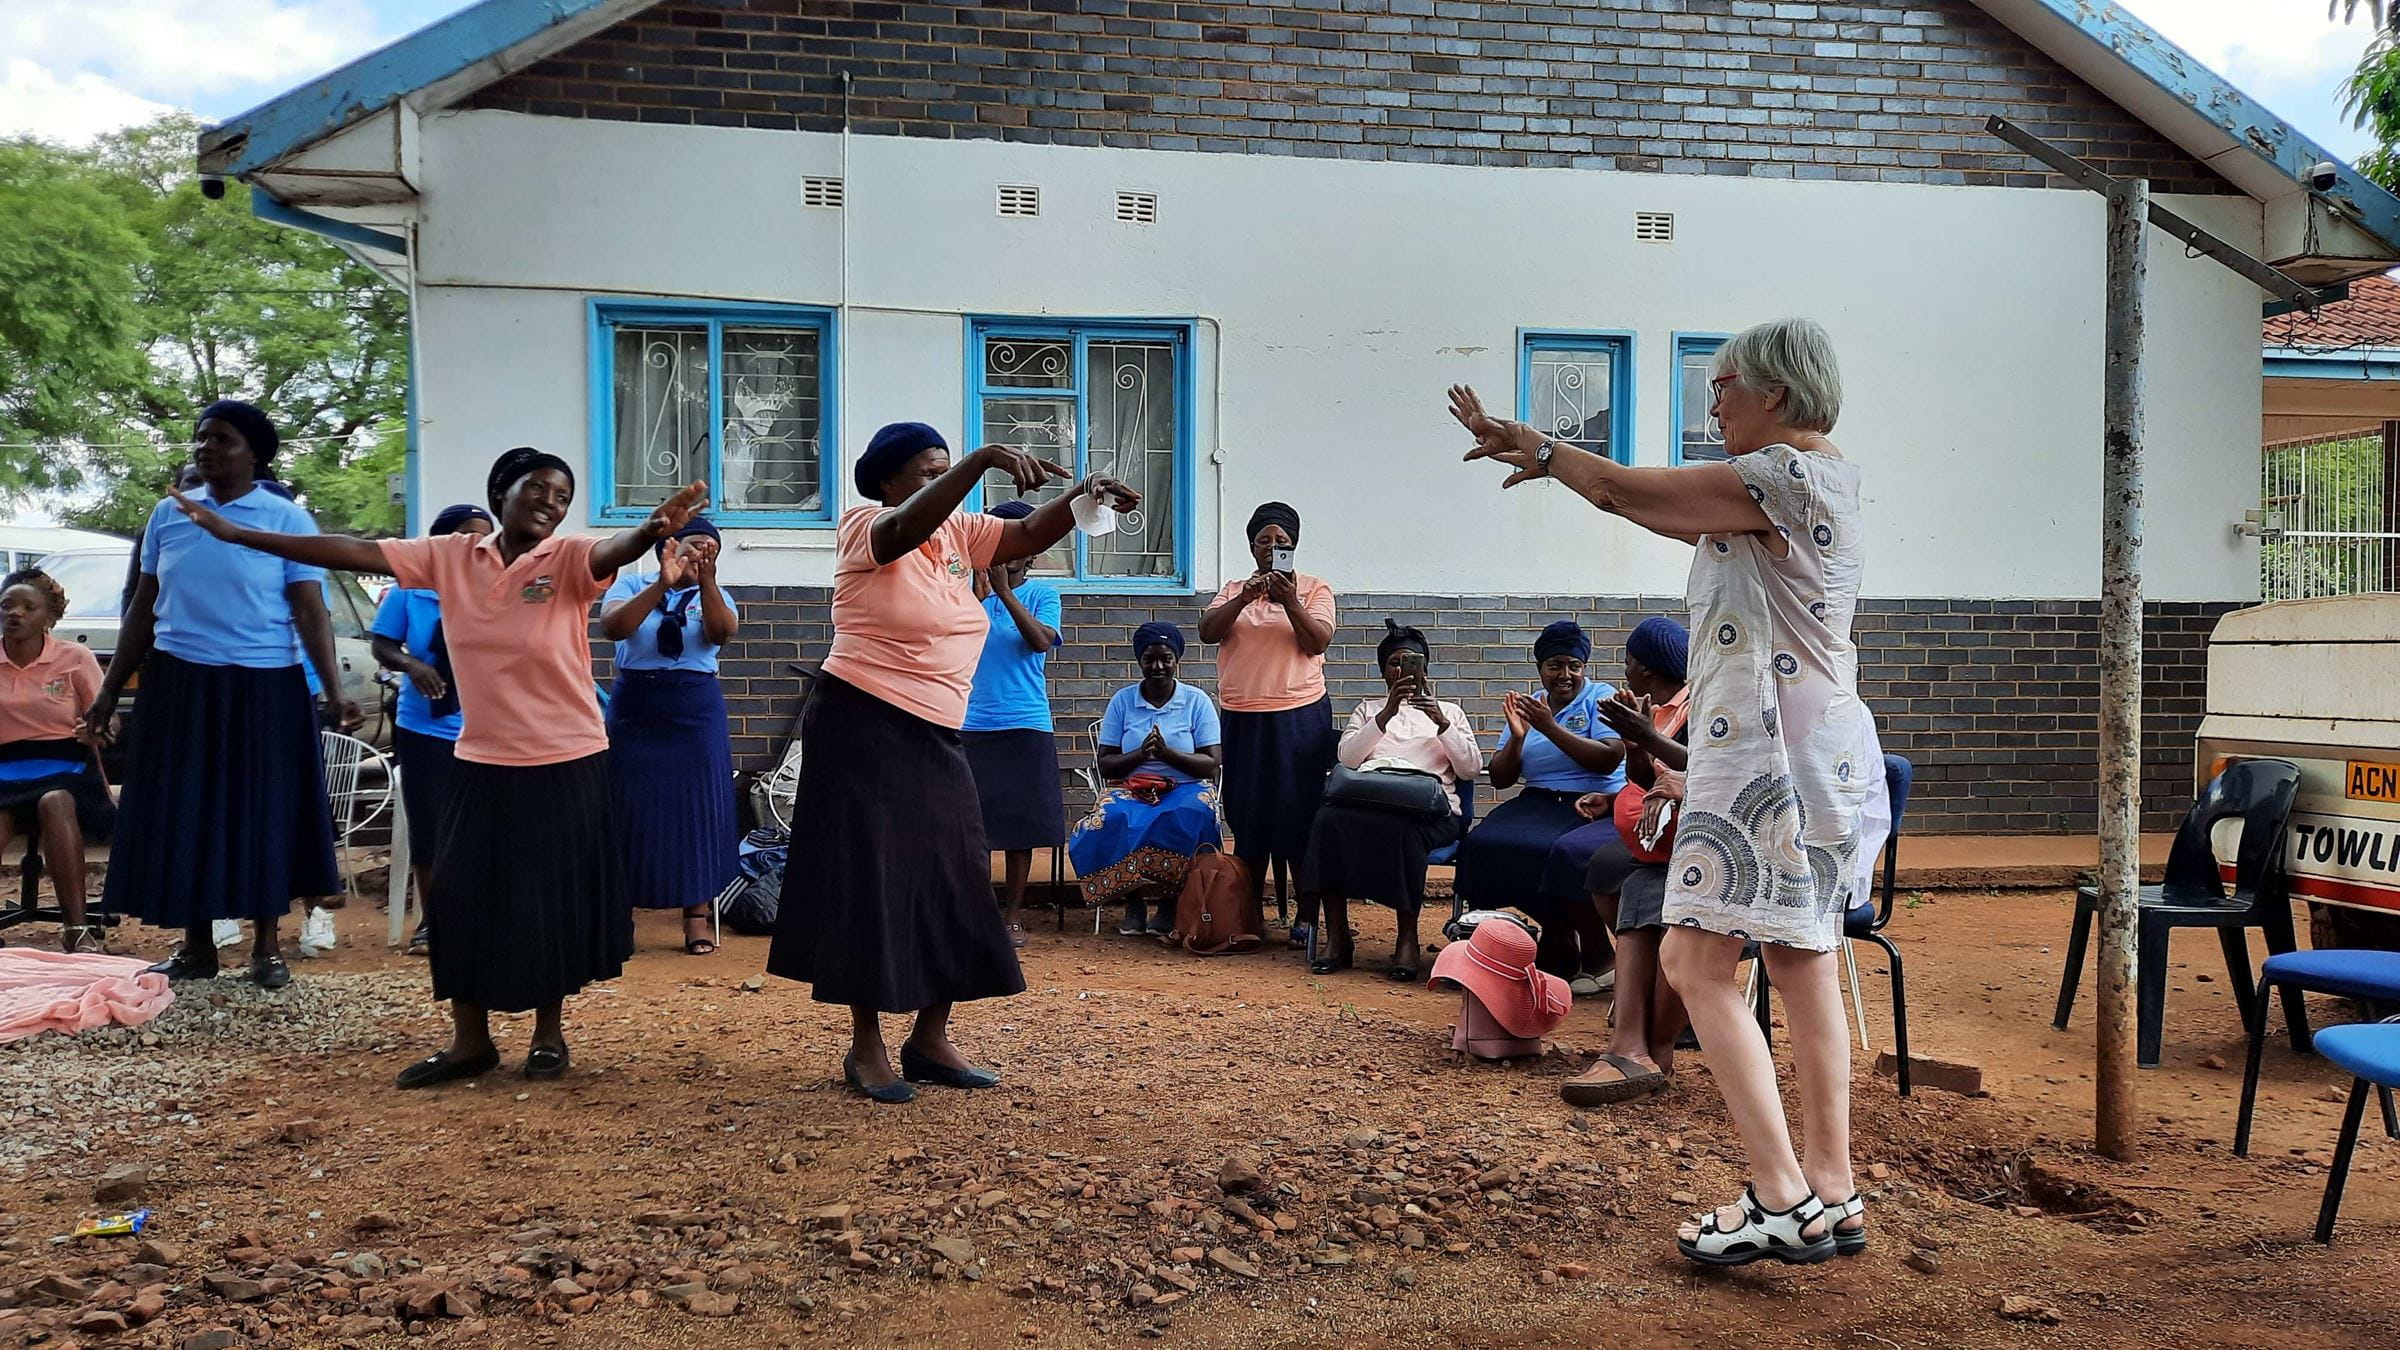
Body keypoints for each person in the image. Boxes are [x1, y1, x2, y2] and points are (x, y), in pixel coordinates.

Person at [1453, 316, 1885, 1268]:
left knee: (1695, 965)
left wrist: (1541, 447)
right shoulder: (1825, 478)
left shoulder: (1783, 474)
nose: (1714, 403)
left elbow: (1619, 490)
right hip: (1816, 753)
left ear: (1774, 391)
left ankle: (1777, 1195)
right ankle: (1831, 1187)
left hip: (1764, 752)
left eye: (1723, 386)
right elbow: (1647, 507)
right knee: (1804, 964)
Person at [158, 446, 708, 1087]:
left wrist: (647, 531)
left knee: (548, 900)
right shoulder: (451, 557)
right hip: (478, 757)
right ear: (501, 490)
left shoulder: (564, 559)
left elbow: (607, 553)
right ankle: (469, 1040)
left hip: (567, 758)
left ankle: (547, 1035)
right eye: (537, 488)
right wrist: (240, 533)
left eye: (561, 496)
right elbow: (351, 552)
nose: (550, 502)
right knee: (458, 895)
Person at [766, 422, 1138, 1104]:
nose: (940, 482)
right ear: (886, 481)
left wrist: (1085, 498)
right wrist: (975, 463)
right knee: (870, 878)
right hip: (861, 721)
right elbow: (906, 526)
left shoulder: (958, 536)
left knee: (958, 872)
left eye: (944, 469)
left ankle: (930, 1036)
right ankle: (867, 1045)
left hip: (939, 731)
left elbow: (1024, 538)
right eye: (925, 471)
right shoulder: (865, 525)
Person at [82, 400, 359, 989]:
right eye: (201, 437)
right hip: (182, 683)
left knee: (262, 812)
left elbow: (309, 610)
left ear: (254, 453)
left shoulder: (284, 519)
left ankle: (265, 946)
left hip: (264, 686)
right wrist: (107, 693)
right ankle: (196, 946)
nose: (206, 447)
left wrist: (334, 689)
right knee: (189, 812)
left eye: (222, 439)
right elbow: (142, 607)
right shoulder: (168, 515)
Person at [1299, 620, 1481, 980]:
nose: (1401, 670)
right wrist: (1386, 715)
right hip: (1369, 803)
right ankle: (1337, 936)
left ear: (1425, 668)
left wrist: (1441, 722)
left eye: (1410, 662)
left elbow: (1471, 768)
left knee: (1403, 831)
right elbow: (1348, 759)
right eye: (1393, 663)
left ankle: (1407, 938)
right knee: (1326, 821)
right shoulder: (1369, 710)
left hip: (1430, 811)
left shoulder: (1450, 711)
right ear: (1383, 671)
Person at [1560, 616, 1694, 1105]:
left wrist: (1648, 739)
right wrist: (1638, 744)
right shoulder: (1658, 710)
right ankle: (1641, 1041)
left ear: (1644, 666)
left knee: (1646, 889)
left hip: (1699, 855)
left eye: (1629, 661)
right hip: (1659, 848)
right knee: (1616, 872)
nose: (1626, 668)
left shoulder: (1700, 707)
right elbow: (1643, 777)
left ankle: (1644, 1046)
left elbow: (1700, 772)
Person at [1451, 619, 1625, 982]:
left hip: (1592, 800)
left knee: (1555, 851)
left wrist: (1549, 728)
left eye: (1574, 666)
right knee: (1483, 844)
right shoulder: (1530, 706)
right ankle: (1555, 931)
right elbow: (1500, 778)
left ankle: (1592, 950)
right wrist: (1517, 738)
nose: (1565, 675)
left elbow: (1608, 757)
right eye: (1555, 665)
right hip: (1539, 799)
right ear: (1540, 669)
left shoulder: (1600, 697)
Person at [599, 513, 740, 955]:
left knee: (697, 811)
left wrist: (707, 582)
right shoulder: (629, 585)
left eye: (709, 547)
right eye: (692, 544)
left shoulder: (716, 594)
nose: (699, 553)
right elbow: (613, 628)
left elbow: (721, 635)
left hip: (694, 711)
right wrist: (662, 583)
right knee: (627, 808)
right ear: (668, 547)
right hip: (637, 709)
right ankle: (618, 916)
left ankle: (696, 917)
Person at [1197, 502, 1337, 946]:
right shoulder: (1234, 589)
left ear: (1294, 547)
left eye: (1282, 543)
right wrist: (1244, 597)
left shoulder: (1315, 589)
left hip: (1299, 720)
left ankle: (1307, 917)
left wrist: (1289, 600)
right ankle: (1249, 916)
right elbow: (1207, 631)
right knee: (1250, 816)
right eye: (1264, 541)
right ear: (1251, 546)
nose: (1273, 549)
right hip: (1244, 719)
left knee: (1299, 815)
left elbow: (1317, 641)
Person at [368, 503, 496, 957]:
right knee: (430, 827)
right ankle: (434, 920)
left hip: (486, 728)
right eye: (464, 535)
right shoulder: (411, 589)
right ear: (439, 542)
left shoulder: (497, 588)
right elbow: (382, 644)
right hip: (423, 726)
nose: (475, 544)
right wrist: (412, 665)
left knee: (483, 828)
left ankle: (482, 916)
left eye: (483, 535)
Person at [1067, 622, 1223, 934]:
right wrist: (1141, 754)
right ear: (1140, 661)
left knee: (1192, 813)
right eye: (1149, 659)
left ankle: (1169, 903)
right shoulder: (1123, 701)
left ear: (1176, 660)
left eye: (1166, 658)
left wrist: (1167, 755)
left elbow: (1211, 764)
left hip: (1185, 786)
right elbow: (1107, 764)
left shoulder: (1196, 701)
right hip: (1131, 787)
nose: (1158, 666)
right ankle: (1132, 902)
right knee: (1109, 816)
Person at [961, 498, 1065, 949]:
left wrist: (1005, 593)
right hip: (971, 723)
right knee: (973, 824)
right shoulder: (963, 594)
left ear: (1032, 550)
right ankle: (977, 912)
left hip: (1024, 722)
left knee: (1020, 825)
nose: (1007, 550)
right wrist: (977, 596)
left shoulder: (1043, 595)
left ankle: (1013, 917)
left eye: (1016, 541)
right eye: (999, 539)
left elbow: (1041, 642)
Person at [0, 568, 113, 951]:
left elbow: (107, 717)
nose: (14, 614)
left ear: (48, 617)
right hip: (5, 767)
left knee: (56, 801)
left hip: (67, 765)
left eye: (27, 607)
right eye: (6, 606)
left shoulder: (73, 658)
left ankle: (76, 929)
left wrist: (96, 727)